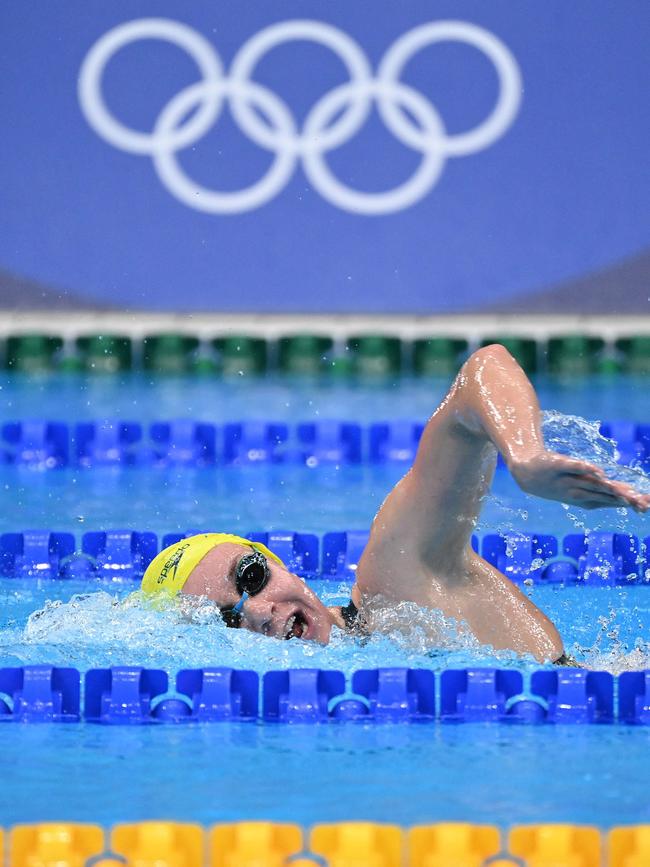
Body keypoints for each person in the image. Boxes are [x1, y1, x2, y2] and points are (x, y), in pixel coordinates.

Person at [141, 344, 649, 662]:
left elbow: (481, 372)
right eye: (225, 621)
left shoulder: (399, 584)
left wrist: (526, 455)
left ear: (277, 563)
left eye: (250, 577)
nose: (257, 611)